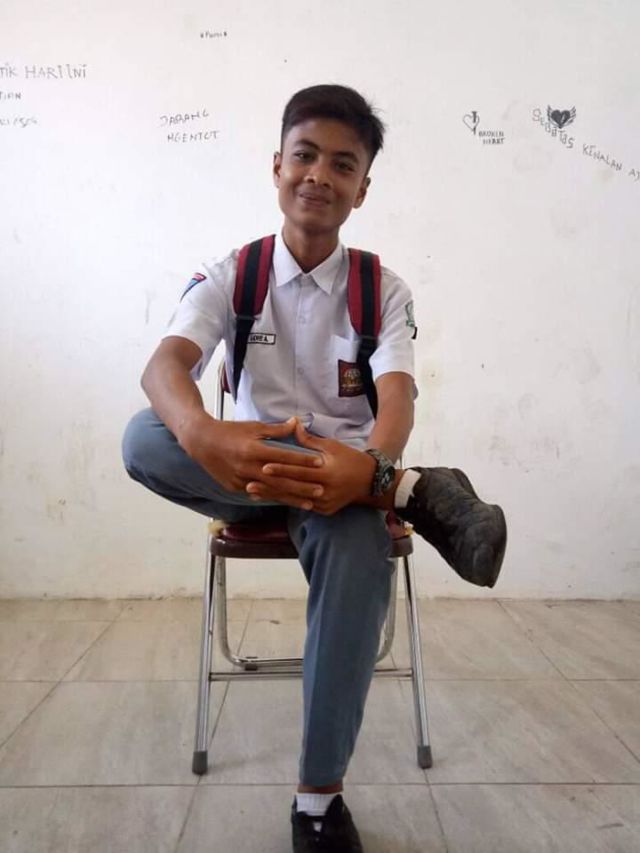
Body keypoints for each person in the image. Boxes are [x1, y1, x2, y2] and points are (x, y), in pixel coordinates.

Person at [122, 84, 506, 853]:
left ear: (362, 188)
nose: (319, 176)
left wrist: (369, 463)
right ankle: (412, 491)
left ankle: (318, 801)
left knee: (359, 544)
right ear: (277, 166)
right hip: (245, 477)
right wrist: (204, 432)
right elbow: (165, 366)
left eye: (343, 164)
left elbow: (396, 402)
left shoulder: (380, 289)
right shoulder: (233, 274)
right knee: (145, 436)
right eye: (305, 155)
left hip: (345, 489)